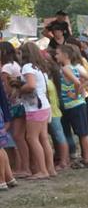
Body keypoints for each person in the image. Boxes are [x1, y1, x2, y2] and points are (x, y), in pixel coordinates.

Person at [16, 42, 56, 179]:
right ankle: (50, 169)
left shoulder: (27, 67)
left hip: (34, 108)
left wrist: (19, 89)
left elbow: (31, 85)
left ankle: (42, 170)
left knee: (31, 138)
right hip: (44, 105)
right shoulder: (39, 67)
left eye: (19, 53)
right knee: (43, 138)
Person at [55, 44, 88, 168]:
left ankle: (87, 159)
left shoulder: (65, 69)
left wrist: (75, 94)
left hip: (74, 105)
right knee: (83, 132)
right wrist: (81, 88)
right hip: (77, 104)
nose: (56, 56)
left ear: (65, 55)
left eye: (58, 54)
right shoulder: (75, 68)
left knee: (82, 133)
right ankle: (87, 158)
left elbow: (76, 82)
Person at [0, 41, 30, 179]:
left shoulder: (6, 67)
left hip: (14, 105)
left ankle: (23, 167)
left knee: (17, 137)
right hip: (21, 103)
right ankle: (22, 167)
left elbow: (5, 89)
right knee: (19, 137)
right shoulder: (15, 64)